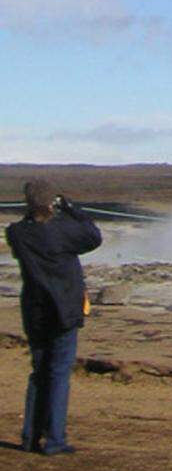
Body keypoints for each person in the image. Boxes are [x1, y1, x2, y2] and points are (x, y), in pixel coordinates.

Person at [5, 178, 102, 455]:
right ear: (50, 203)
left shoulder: (17, 233)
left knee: (40, 373)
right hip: (65, 311)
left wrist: (37, 209)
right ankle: (55, 439)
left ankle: (31, 437)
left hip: (35, 313)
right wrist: (72, 208)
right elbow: (93, 236)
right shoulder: (64, 231)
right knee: (59, 373)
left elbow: (28, 226)